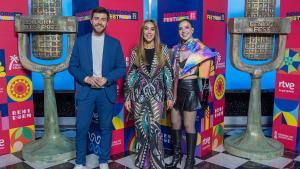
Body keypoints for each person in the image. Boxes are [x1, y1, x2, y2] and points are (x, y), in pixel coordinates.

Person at [68, 7, 126, 169]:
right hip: (86, 91)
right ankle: (80, 162)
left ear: (107, 22)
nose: (99, 22)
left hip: (105, 92)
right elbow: (72, 66)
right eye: (97, 19)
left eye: (103, 19)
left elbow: (121, 68)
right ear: (91, 20)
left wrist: (106, 79)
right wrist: (86, 78)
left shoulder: (114, 44)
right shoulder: (80, 42)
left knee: (106, 127)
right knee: (81, 128)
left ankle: (103, 161)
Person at [166, 19, 216, 169]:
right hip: (176, 88)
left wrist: (205, 99)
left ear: (192, 29)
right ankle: (177, 155)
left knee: (188, 125)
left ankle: (190, 159)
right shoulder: (174, 49)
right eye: (180, 28)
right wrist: (170, 94)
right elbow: (171, 74)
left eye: (187, 27)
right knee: (174, 122)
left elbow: (205, 78)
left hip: (191, 89)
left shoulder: (201, 49)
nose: (183, 31)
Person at [124, 19, 174, 169]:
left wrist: (170, 95)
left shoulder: (163, 49)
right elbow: (131, 74)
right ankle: (142, 162)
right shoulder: (135, 51)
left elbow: (168, 73)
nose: (149, 32)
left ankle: (157, 162)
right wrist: (127, 96)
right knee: (141, 129)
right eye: (146, 29)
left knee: (154, 128)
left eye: (152, 29)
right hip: (139, 96)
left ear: (155, 32)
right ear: (142, 31)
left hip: (157, 95)